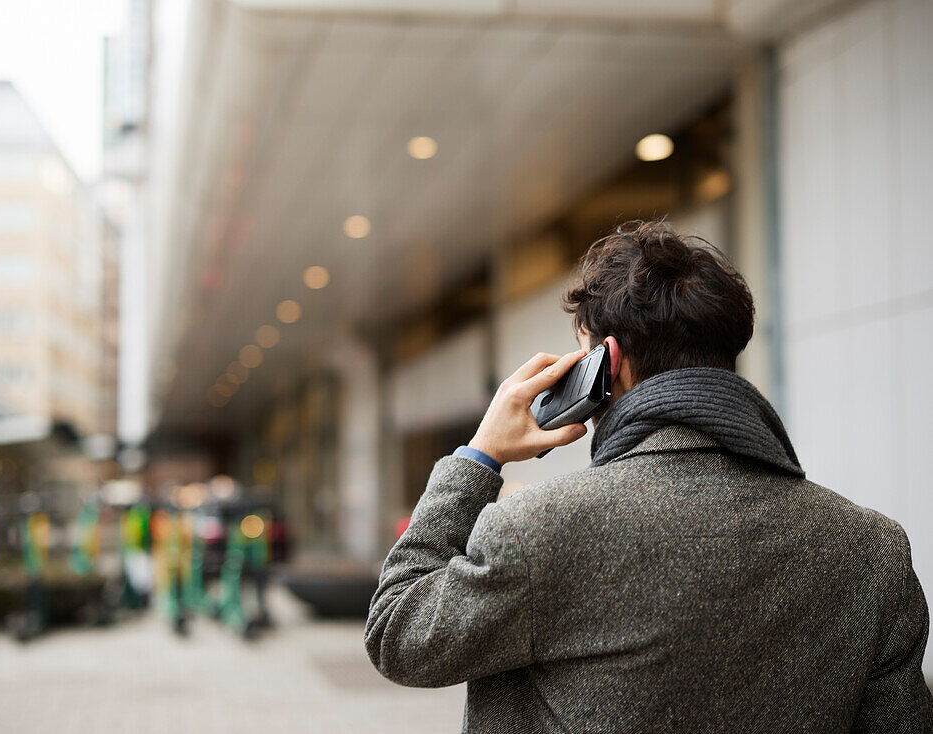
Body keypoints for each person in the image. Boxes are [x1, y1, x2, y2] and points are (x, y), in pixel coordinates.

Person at [364, 220, 933, 732]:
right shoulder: (872, 550)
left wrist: (479, 456)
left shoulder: (541, 530)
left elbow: (396, 633)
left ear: (605, 364)